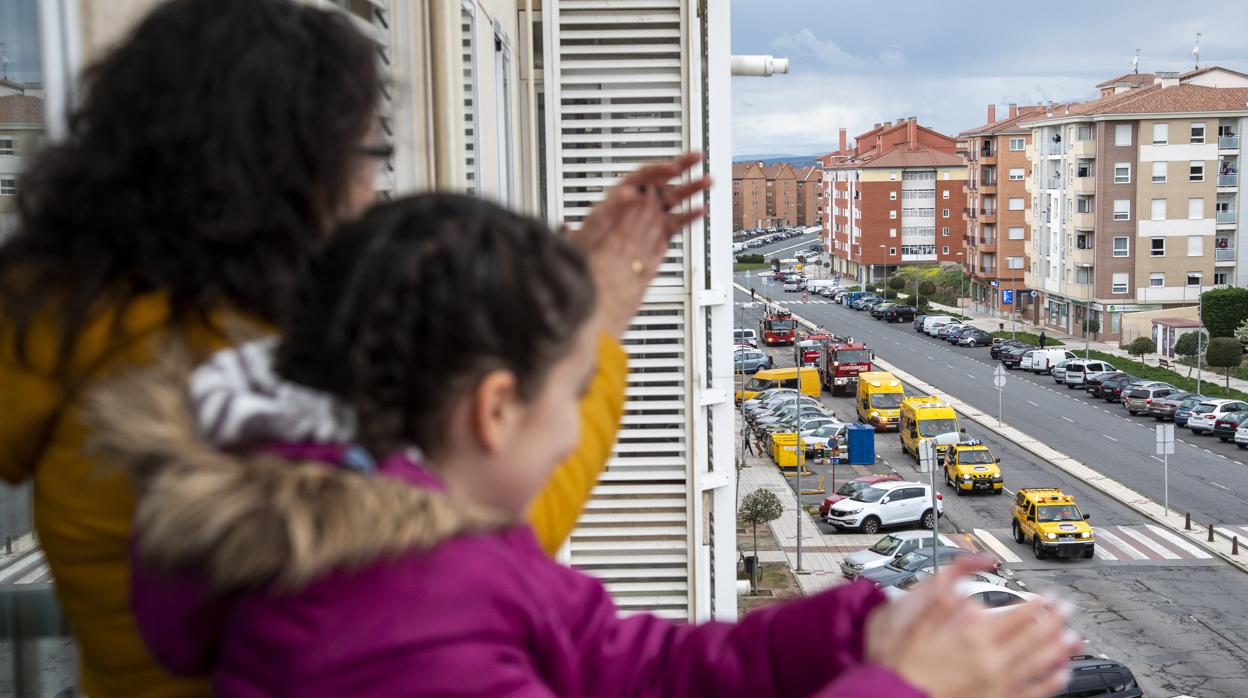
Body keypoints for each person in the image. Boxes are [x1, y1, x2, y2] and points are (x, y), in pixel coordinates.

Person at [92, 194, 1081, 697]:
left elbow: (632, 664)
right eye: (574, 387)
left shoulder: (421, 545)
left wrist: (851, 635)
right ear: (494, 411)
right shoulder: (389, 624)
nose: (581, 419)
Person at [0, 0, 705, 694]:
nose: (373, 187)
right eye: (370, 156)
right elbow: (468, 539)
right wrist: (596, 323)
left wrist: (553, 299)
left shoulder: (54, 322)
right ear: (297, 172)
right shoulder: (272, 381)